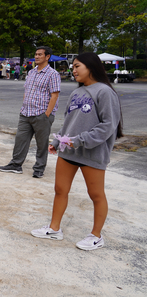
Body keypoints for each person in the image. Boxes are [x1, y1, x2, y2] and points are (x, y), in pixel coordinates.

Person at [31, 52, 123, 251]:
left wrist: (80, 141)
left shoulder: (105, 92)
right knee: (60, 190)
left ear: (91, 67)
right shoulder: (76, 93)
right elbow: (69, 122)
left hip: (92, 153)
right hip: (68, 151)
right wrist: (58, 141)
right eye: (72, 67)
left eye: (77, 66)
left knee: (96, 195)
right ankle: (54, 228)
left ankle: (96, 236)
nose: (73, 71)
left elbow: (109, 126)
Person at [0, 46, 61, 178]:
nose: (37, 56)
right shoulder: (31, 72)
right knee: (20, 140)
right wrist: (24, 106)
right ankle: (16, 164)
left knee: (41, 143)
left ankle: (39, 168)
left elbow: (54, 95)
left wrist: (47, 114)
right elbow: (27, 91)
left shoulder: (53, 74)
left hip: (41, 114)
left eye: (40, 54)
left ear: (47, 56)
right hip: (26, 113)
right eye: (36, 54)